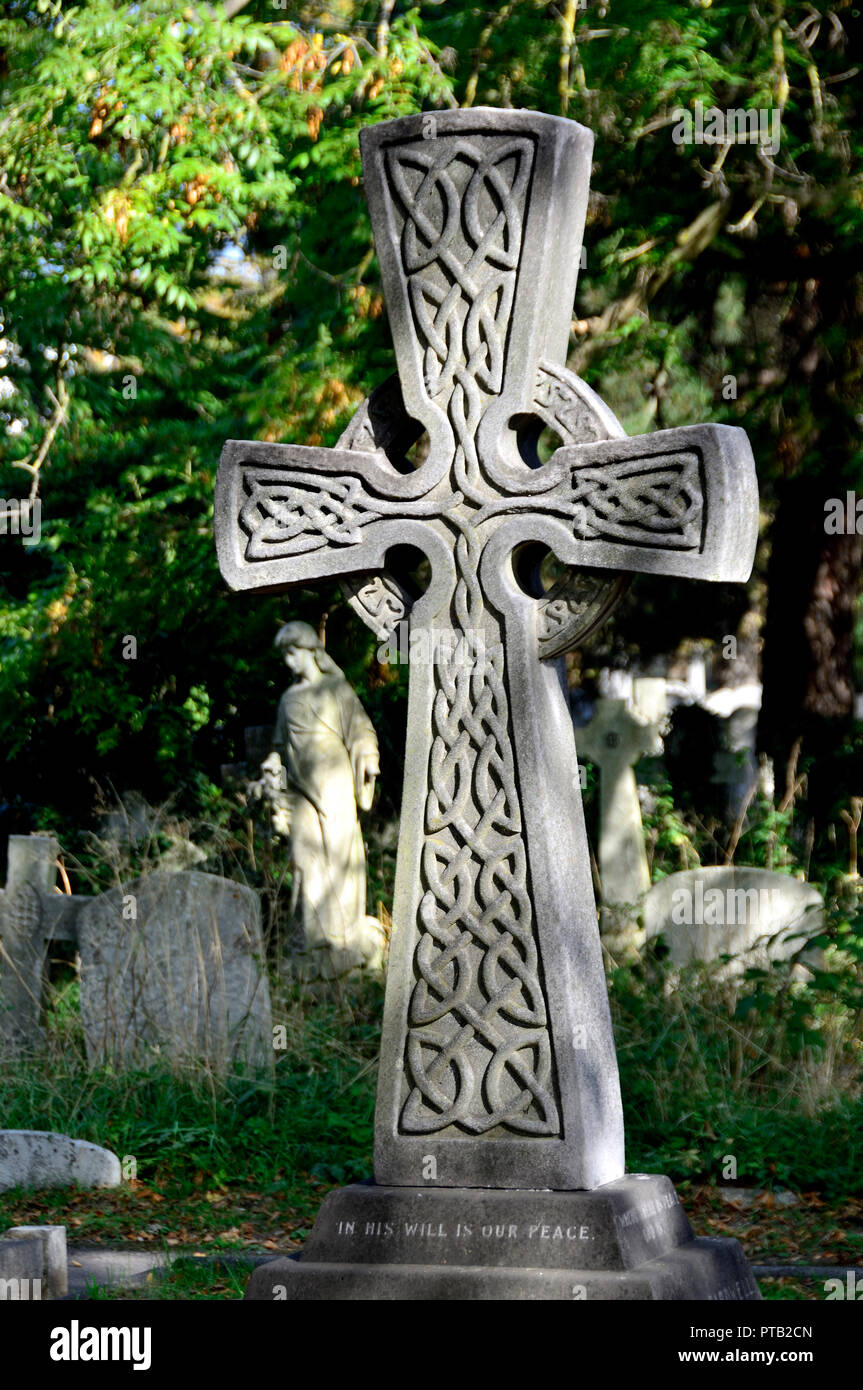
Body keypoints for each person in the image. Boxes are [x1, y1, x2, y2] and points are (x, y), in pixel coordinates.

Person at [260, 621, 384, 977]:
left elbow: (361, 731)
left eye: (293, 652)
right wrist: (272, 765)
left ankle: (344, 937)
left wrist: (368, 757)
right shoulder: (287, 699)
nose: (288, 661)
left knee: (339, 855)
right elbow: (280, 748)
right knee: (303, 859)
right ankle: (312, 938)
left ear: (311, 649)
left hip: (335, 786)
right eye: (284, 654)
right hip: (300, 792)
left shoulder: (335, 689)